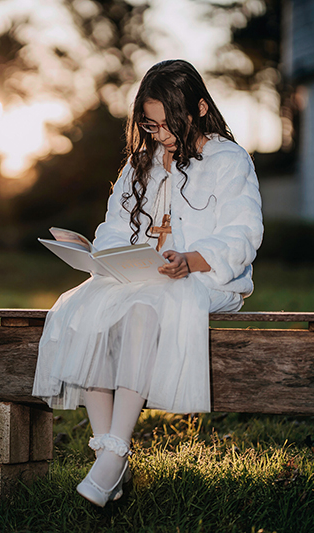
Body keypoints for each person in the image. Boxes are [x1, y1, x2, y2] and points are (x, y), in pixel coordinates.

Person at [32, 59, 263, 507]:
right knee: (83, 311)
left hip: (204, 279)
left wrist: (193, 259)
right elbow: (115, 225)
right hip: (141, 278)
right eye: (150, 125)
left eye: (168, 123)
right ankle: (107, 456)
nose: (159, 135)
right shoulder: (142, 163)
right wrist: (103, 254)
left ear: (198, 108)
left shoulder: (228, 160)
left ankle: (115, 453)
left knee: (140, 309)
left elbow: (243, 232)